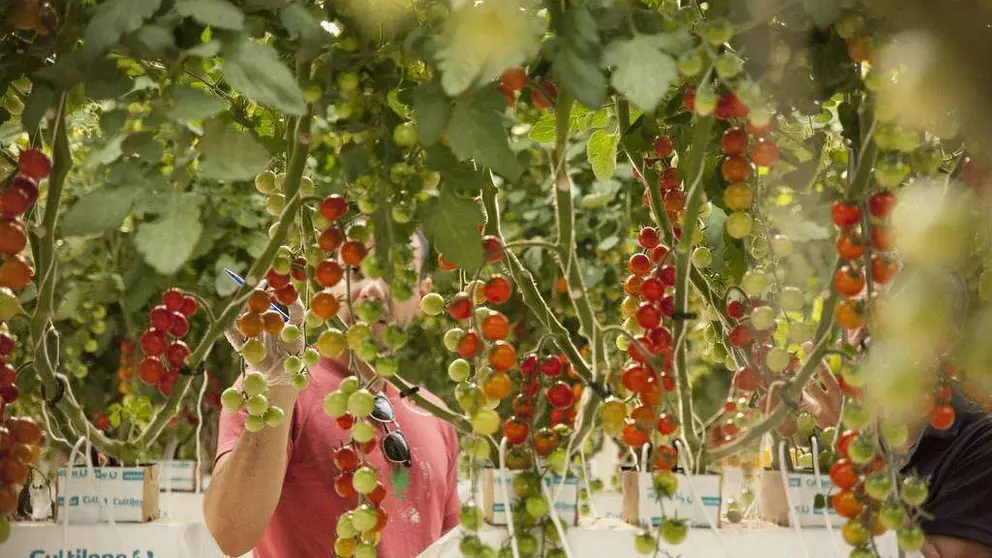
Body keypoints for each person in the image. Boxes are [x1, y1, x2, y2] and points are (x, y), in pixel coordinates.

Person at [204, 231, 461, 558]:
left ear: (423, 294)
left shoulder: (435, 414)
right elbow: (229, 535)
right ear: (325, 283)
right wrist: (278, 383)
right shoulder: (275, 390)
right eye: (355, 271)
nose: (373, 288)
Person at [804, 270, 992, 558]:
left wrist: (857, 441)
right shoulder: (833, 428)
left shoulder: (981, 443)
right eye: (857, 318)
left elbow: (932, 555)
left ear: (943, 342)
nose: (860, 339)